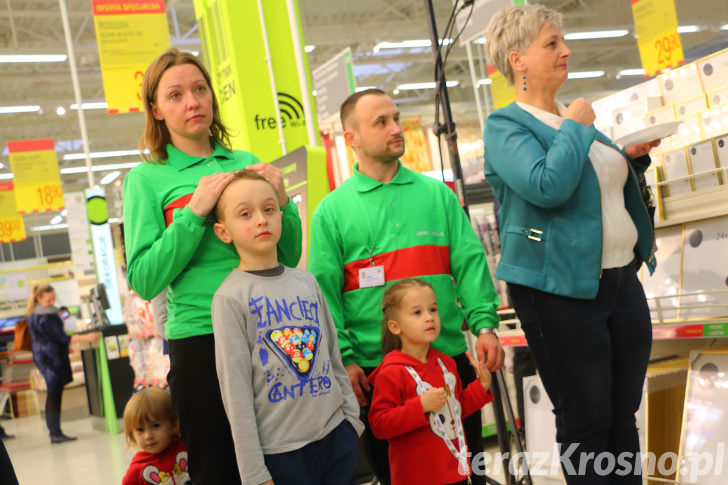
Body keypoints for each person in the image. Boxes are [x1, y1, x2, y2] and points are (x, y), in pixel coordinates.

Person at [482, 5, 660, 484]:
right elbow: (547, 186)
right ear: (517, 60)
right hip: (558, 291)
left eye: (562, 42)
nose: (566, 51)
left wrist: (627, 160)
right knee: (586, 422)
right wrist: (578, 128)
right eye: (552, 44)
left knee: (623, 418)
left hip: (620, 281)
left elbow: (589, 184)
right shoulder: (507, 126)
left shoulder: (569, 117)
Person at [123, 48, 302, 483]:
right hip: (202, 340)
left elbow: (290, 255)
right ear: (156, 109)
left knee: (282, 459)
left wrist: (282, 202)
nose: (193, 102)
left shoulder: (245, 164)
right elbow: (144, 278)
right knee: (218, 467)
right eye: (177, 94)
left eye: (200, 89)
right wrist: (194, 213)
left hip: (267, 328)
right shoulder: (146, 179)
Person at [308, 88, 504, 485]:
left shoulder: (437, 195)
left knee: (465, 471)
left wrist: (484, 325)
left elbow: (468, 264)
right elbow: (324, 296)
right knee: (398, 475)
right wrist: (344, 359)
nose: (396, 128)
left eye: (396, 118)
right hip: (378, 372)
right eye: (381, 122)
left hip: (448, 360)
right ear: (352, 139)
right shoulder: (332, 211)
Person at [210, 170, 364, 485]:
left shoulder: (306, 281)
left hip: (335, 435)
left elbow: (332, 355)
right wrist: (253, 472)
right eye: (245, 214)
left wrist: (351, 421)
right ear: (223, 231)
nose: (261, 220)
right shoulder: (229, 298)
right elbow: (235, 392)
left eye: (269, 209)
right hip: (281, 454)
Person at [368, 279, 493, 485]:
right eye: (417, 312)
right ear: (395, 326)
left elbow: (456, 409)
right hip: (416, 479)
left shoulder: (446, 364)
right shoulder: (391, 372)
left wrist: (482, 385)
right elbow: (380, 425)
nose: (429, 318)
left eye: (433, 309)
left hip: (455, 474)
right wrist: (420, 406)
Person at [25, 284, 99, 443]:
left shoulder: (34, 314)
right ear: (39, 299)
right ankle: (55, 432)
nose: (51, 302)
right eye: (48, 300)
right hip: (52, 358)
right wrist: (88, 337)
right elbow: (63, 338)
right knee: (54, 393)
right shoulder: (47, 317)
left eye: (52, 299)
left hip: (43, 357)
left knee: (54, 392)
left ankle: (55, 431)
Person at [122, 387, 190, 485]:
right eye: (140, 429)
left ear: (173, 424)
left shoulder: (185, 446)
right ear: (132, 434)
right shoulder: (138, 469)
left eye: (155, 426)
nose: (148, 436)